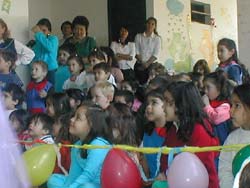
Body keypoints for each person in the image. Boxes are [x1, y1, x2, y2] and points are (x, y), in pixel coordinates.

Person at [158, 81, 219, 188]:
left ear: (182, 105)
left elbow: (204, 170)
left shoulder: (198, 131)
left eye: (168, 102)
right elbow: (166, 159)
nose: (163, 106)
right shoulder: (173, 128)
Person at [47, 102, 110, 188]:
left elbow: (88, 175)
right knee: (53, 180)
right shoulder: (77, 145)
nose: (72, 119)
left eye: (78, 118)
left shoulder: (98, 145)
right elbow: (73, 175)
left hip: (98, 185)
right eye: (74, 116)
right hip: (82, 183)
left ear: (91, 125)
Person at [219, 84, 250, 188]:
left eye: (237, 105)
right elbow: (224, 170)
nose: (230, 110)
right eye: (231, 105)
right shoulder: (232, 139)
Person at [202, 71, 232, 144]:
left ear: (219, 88)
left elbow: (216, 119)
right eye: (204, 87)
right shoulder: (210, 102)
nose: (205, 91)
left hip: (221, 144)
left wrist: (207, 106)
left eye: (208, 87)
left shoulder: (225, 105)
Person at [143, 88, 166, 179]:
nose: (148, 107)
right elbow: (146, 160)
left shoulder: (172, 134)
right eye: (147, 104)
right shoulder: (148, 132)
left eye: (154, 103)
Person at [134, 17, 161, 85]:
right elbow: (136, 52)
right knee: (139, 86)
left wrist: (147, 64)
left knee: (150, 85)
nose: (150, 25)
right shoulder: (138, 36)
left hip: (151, 66)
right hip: (139, 64)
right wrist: (143, 63)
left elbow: (155, 54)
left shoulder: (157, 39)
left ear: (155, 26)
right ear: (146, 24)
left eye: (152, 24)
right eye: (148, 23)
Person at [32, 18, 59, 85]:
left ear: (49, 31)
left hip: (50, 70)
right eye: (40, 30)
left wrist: (38, 34)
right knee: (36, 91)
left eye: (44, 30)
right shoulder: (37, 42)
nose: (41, 33)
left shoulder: (53, 39)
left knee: (49, 91)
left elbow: (50, 48)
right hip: (38, 70)